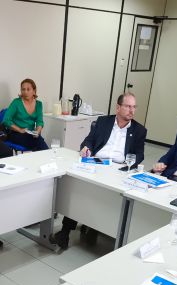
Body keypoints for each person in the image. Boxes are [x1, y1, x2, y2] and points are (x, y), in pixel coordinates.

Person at [53, 93, 147, 249]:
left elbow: (140, 154)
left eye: (134, 107)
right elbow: (89, 140)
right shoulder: (104, 122)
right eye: (128, 106)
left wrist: (129, 163)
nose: (132, 110)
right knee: (78, 190)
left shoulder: (139, 130)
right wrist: (86, 147)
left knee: (107, 196)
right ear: (118, 107)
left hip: (118, 168)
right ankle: (65, 232)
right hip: (97, 163)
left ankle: (95, 227)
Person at [1, 78, 48, 151]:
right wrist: (20, 130)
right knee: (39, 143)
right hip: (16, 133)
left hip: (31, 134)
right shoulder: (16, 102)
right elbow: (6, 120)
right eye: (23, 89)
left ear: (34, 91)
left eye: (28, 89)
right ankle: (47, 155)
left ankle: (44, 156)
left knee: (37, 140)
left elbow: (40, 121)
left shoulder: (39, 104)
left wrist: (37, 131)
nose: (25, 92)